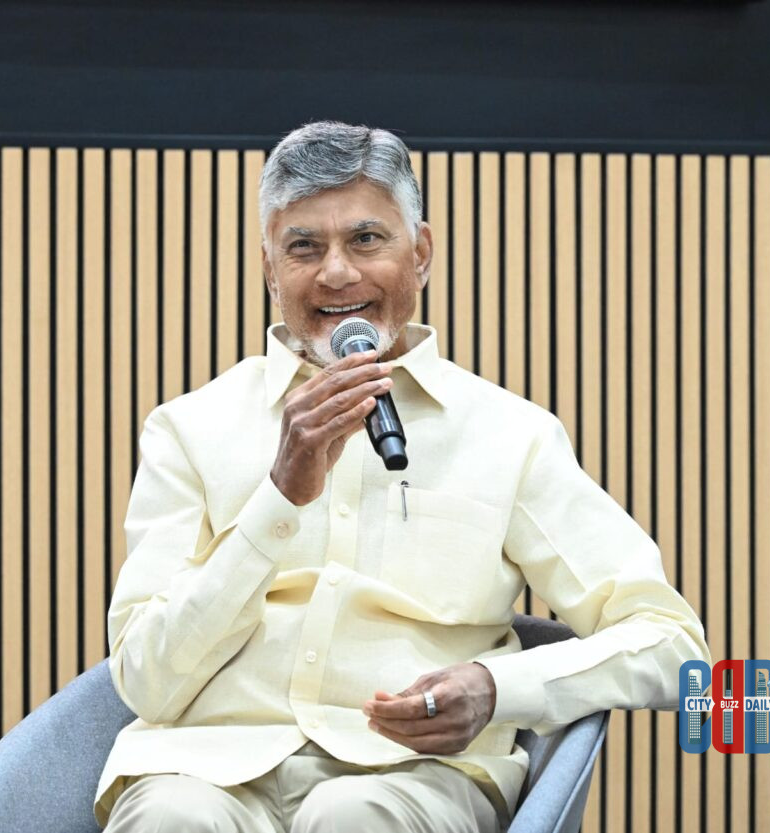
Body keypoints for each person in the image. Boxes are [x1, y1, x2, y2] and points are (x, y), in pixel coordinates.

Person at [95, 121, 710, 832]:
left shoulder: (509, 435)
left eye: (365, 239)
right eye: (303, 247)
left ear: (420, 254)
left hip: (410, 776)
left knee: (354, 817)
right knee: (172, 819)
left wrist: (497, 687)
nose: (335, 273)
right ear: (269, 270)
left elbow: (670, 642)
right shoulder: (187, 428)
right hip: (202, 768)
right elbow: (144, 680)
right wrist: (278, 499)